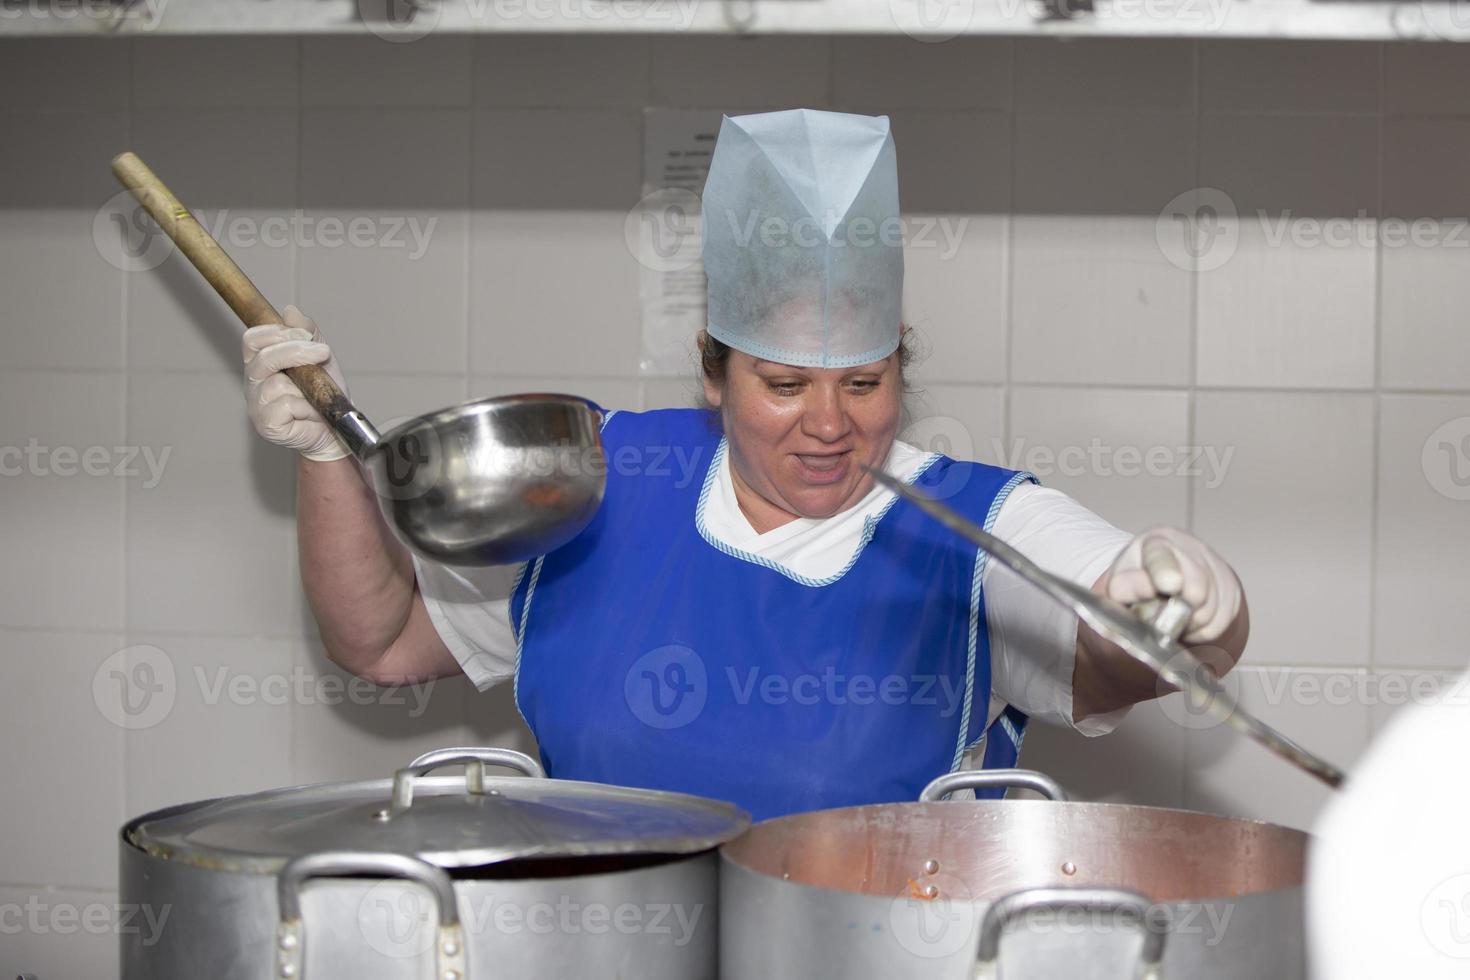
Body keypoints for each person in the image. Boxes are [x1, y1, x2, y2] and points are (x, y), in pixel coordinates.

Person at [242, 108, 1248, 820]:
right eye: (783, 384)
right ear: (713, 375)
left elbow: (1136, 638)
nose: (827, 424)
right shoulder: (597, 479)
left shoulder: (973, 530)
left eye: (863, 383)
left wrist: (1197, 607)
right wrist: (328, 451)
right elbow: (381, 643)